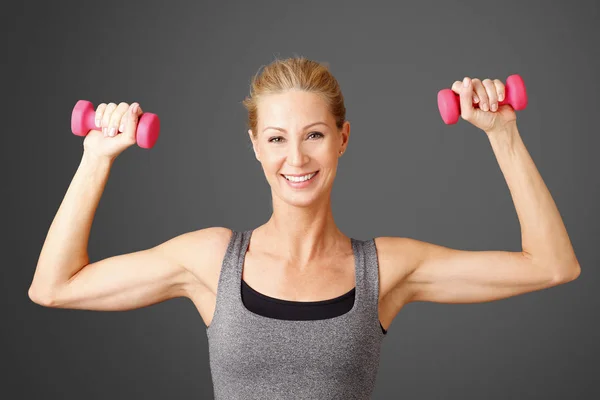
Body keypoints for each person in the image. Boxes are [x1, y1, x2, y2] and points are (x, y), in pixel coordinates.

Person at [29, 56, 581, 399]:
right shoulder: (210, 261)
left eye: (314, 135)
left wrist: (502, 132)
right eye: (276, 138)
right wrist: (96, 157)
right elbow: (53, 287)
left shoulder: (383, 270)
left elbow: (553, 265)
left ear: (343, 139)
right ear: (255, 146)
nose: (296, 157)